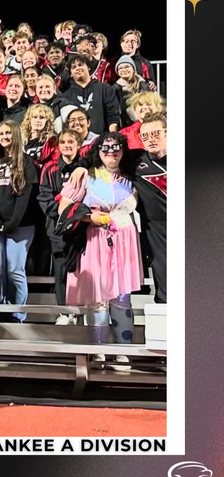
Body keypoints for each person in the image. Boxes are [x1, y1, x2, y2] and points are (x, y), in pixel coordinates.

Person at [59, 132, 142, 366]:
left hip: (126, 241)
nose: (111, 152)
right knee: (97, 297)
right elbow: (64, 209)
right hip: (96, 239)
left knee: (122, 297)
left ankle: (125, 350)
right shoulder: (85, 176)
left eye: (116, 147)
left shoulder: (132, 177)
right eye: (105, 148)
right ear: (98, 151)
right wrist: (91, 218)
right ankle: (98, 349)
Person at [0, 120, 38, 322]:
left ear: (15, 135)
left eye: (8, 133)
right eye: (2, 133)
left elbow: (26, 195)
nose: (5, 137)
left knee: (15, 269)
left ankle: (18, 313)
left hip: (21, 224)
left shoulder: (26, 161)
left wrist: (13, 222)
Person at [39, 129, 84, 316]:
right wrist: (60, 215)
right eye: (63, 142)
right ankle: (63, 312)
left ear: (78, 145)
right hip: (56, 228)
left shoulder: (85, 168)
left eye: (71, 142)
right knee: (60, 271)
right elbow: (44, 196)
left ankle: (80, 310)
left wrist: (77, 215)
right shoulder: (50, 168)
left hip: (81, 227)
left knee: (79, 270)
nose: (67, 145)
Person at [133, 113, 167, 303]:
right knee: (165, 280)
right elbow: (100, 156)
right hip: (156, 229)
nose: (149, 139)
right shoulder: (135, 161)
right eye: (144, 136)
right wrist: (81, 167)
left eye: (155, 133)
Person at [62, 55, 120, 135]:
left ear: (89, 67)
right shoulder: (65, 96)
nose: (77, 68)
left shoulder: (105, 88)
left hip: (102, 140)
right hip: (77, 142)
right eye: (73, 67)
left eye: (80, 65)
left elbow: (113, 116)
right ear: (71, 74)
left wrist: (113, 137)